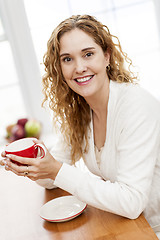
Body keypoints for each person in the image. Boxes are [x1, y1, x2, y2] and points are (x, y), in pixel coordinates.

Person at [1, 15, 160, 238]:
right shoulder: (81, 112)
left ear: (107, 56)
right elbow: (52, 178)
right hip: (126, 226)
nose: (79, 67)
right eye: (67, 59)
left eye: (88, 54)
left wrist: (55, 169)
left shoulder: (135, 107)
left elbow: (131, 202)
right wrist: (34, 164)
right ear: (59, 68)